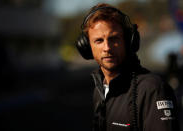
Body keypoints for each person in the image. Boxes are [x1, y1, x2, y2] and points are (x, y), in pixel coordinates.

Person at [75, 3, 180, 131]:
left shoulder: (152, 89)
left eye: (114, 39)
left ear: (128, 41)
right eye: (99, 41)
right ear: (87, 47)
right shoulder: (99, 90)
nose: (107, 48)